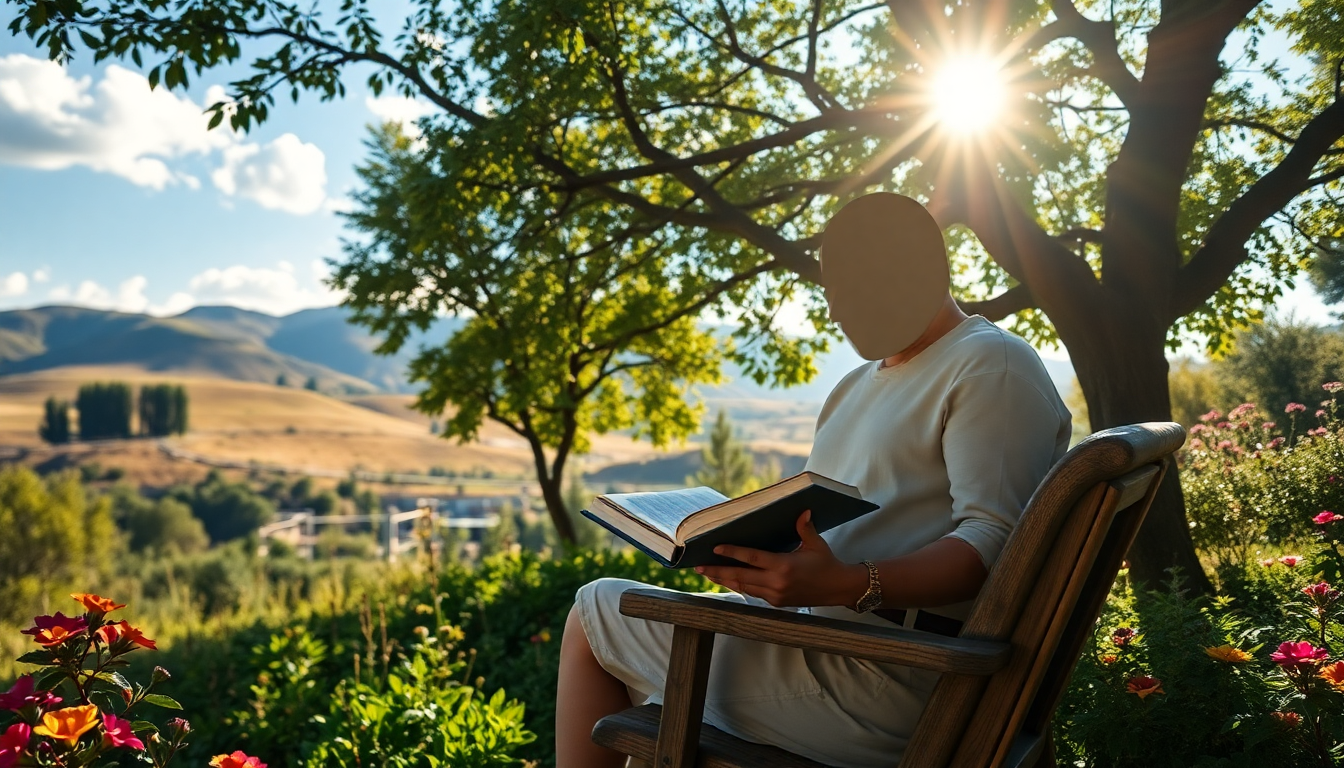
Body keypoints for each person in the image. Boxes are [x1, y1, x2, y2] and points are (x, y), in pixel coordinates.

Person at [555, 194, 1072, 768]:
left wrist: (845, 584)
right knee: (649, 684)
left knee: (596, 612)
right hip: (825, 641)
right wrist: (765, 567)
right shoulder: (855, 387)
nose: (833, 311)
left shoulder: (989, 364)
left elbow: (993, 544)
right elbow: (827, 521)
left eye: (843, 290)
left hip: (893, 677)